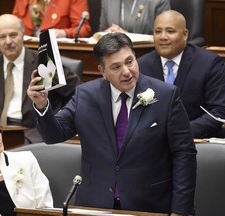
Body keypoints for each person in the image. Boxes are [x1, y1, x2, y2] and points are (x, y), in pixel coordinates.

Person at [27, 32, 197, 215]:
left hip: (150, 204)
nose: (126, 71)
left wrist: (180, 210)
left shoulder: (166, 95)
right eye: (116, 67)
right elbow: (54, 135)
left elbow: (184, 154)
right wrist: (42, 104)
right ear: (102, 71)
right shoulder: (85, 96)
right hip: (95, 204)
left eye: (130, 61)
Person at [0, 14, 80, 143]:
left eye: (13, 35)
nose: (8, 42)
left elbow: (78, 95)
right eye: (2, 37)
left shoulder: (44, 62)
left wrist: (58, 119)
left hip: (36, 134)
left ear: (23, 34)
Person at [137, 10, 225, 138]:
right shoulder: (141, 66)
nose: (163, 37)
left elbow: (219, 112)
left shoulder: (209, 63)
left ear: (185, 34)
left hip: (196, 140)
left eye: (170, 31)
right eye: (158, 31)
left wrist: (180, 133)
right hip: (152, 142)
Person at [12, 0, 92, 38]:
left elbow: (84, 29)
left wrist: (64, 33)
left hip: (58, 52)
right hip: (26, 50)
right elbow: (13, 25)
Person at [99, 0, 170, 35]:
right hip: (113, 54)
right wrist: (108, 33)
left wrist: (127, 37)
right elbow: (102, 30)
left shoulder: (158, 1)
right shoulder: (107, 1)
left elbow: (163, 35)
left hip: (145, 52)